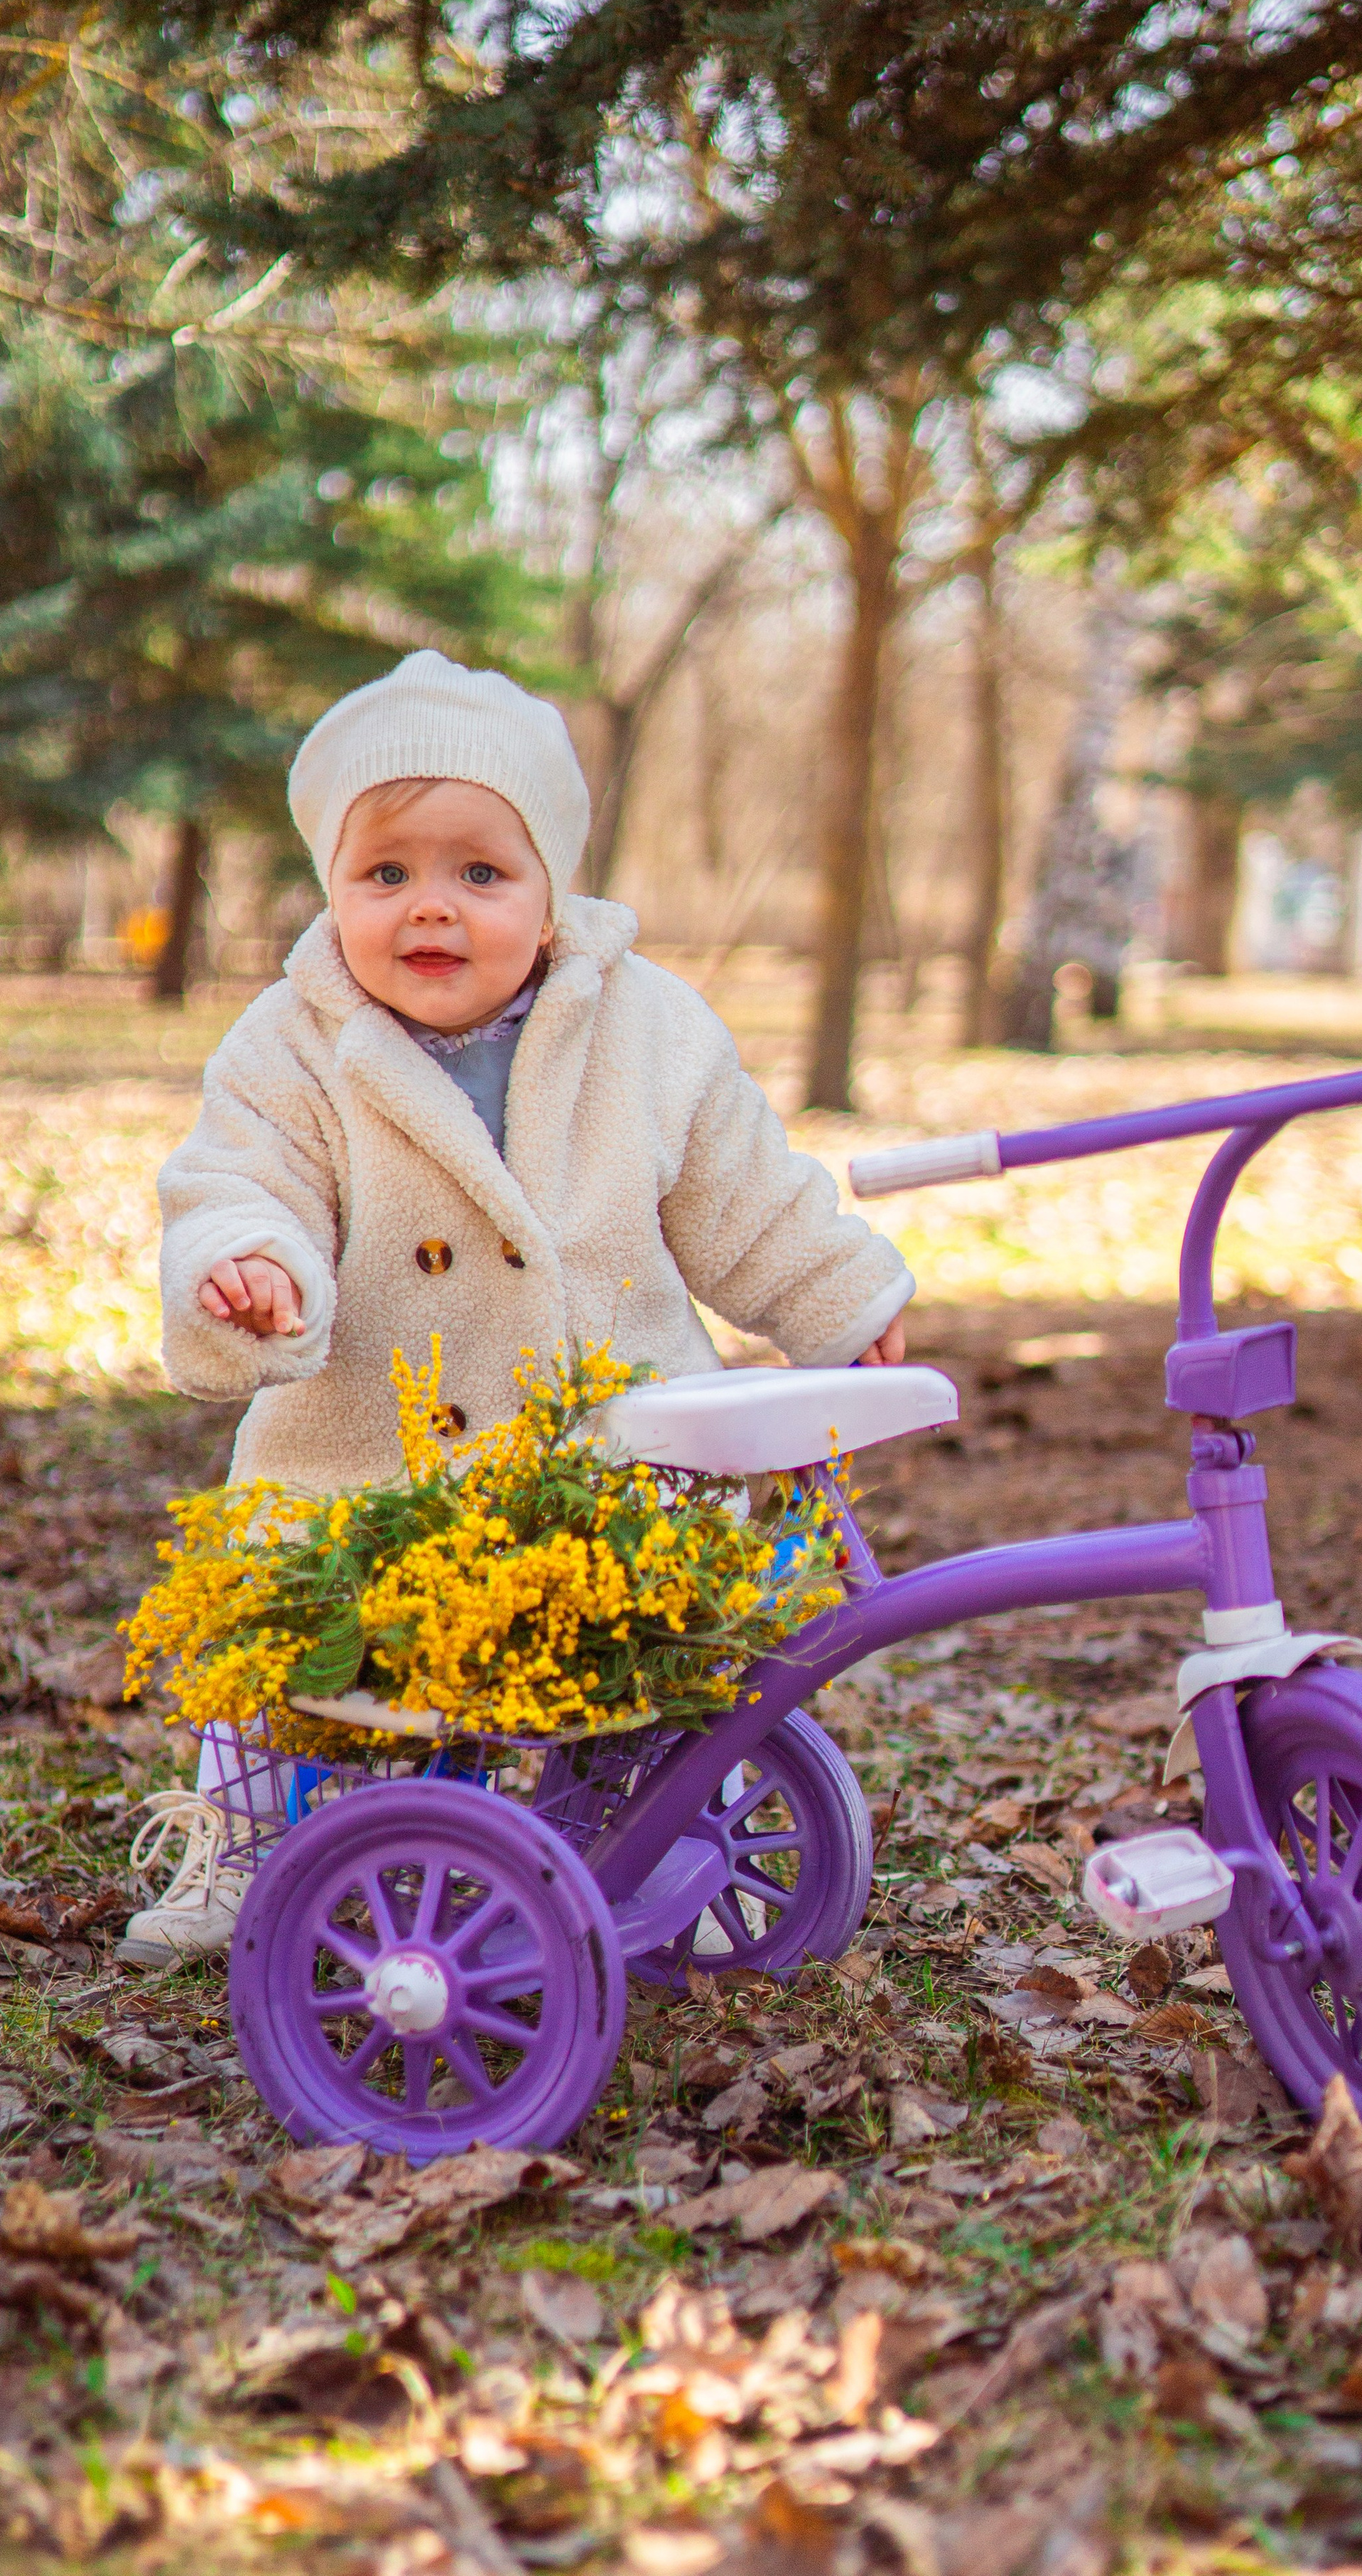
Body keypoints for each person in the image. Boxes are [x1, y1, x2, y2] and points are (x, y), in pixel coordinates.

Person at [121, 649, 914, 1962]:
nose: (430, 908)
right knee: (292, 1650)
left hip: (607, 1455)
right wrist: (248, 1264)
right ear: (332, 890)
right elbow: (236, 1180)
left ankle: (670, 1827)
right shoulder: (292, 1045)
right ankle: (247, 1843)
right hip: (375, 1455)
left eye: (480, 873)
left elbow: (745, 1192)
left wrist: (835, 1295)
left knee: (655, 1657)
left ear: (553, 896)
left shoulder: (648, 1031)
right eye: (387, 874)